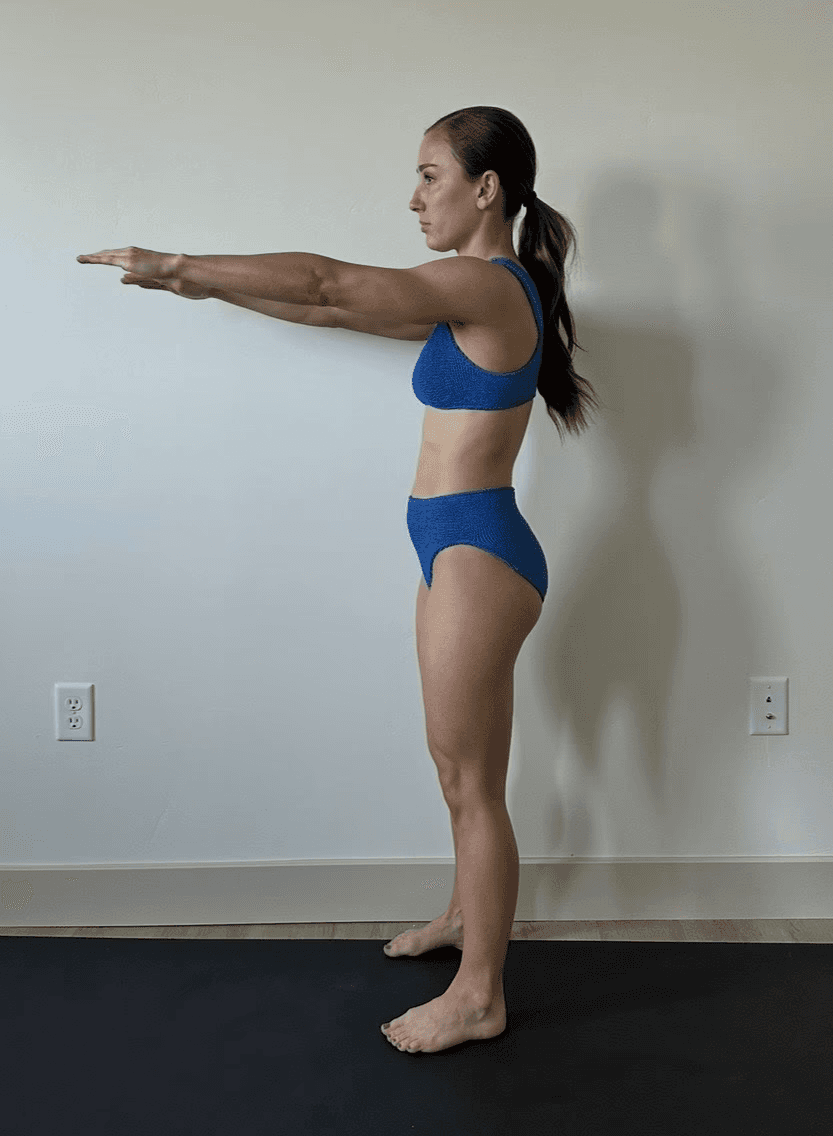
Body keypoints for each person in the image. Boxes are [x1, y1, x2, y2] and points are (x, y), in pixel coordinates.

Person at [78, 105, 599, 1054]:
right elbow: (323, 304)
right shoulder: (472, 296)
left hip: (475, 550)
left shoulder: (484, 285)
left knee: (469, 778)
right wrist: (211, 298)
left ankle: (481, 993)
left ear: (487, 189)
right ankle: (461, 915)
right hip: (460, 545)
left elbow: (329, 277)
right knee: (463, 770)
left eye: (429, 177)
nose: (413, 198)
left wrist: (179, 264)